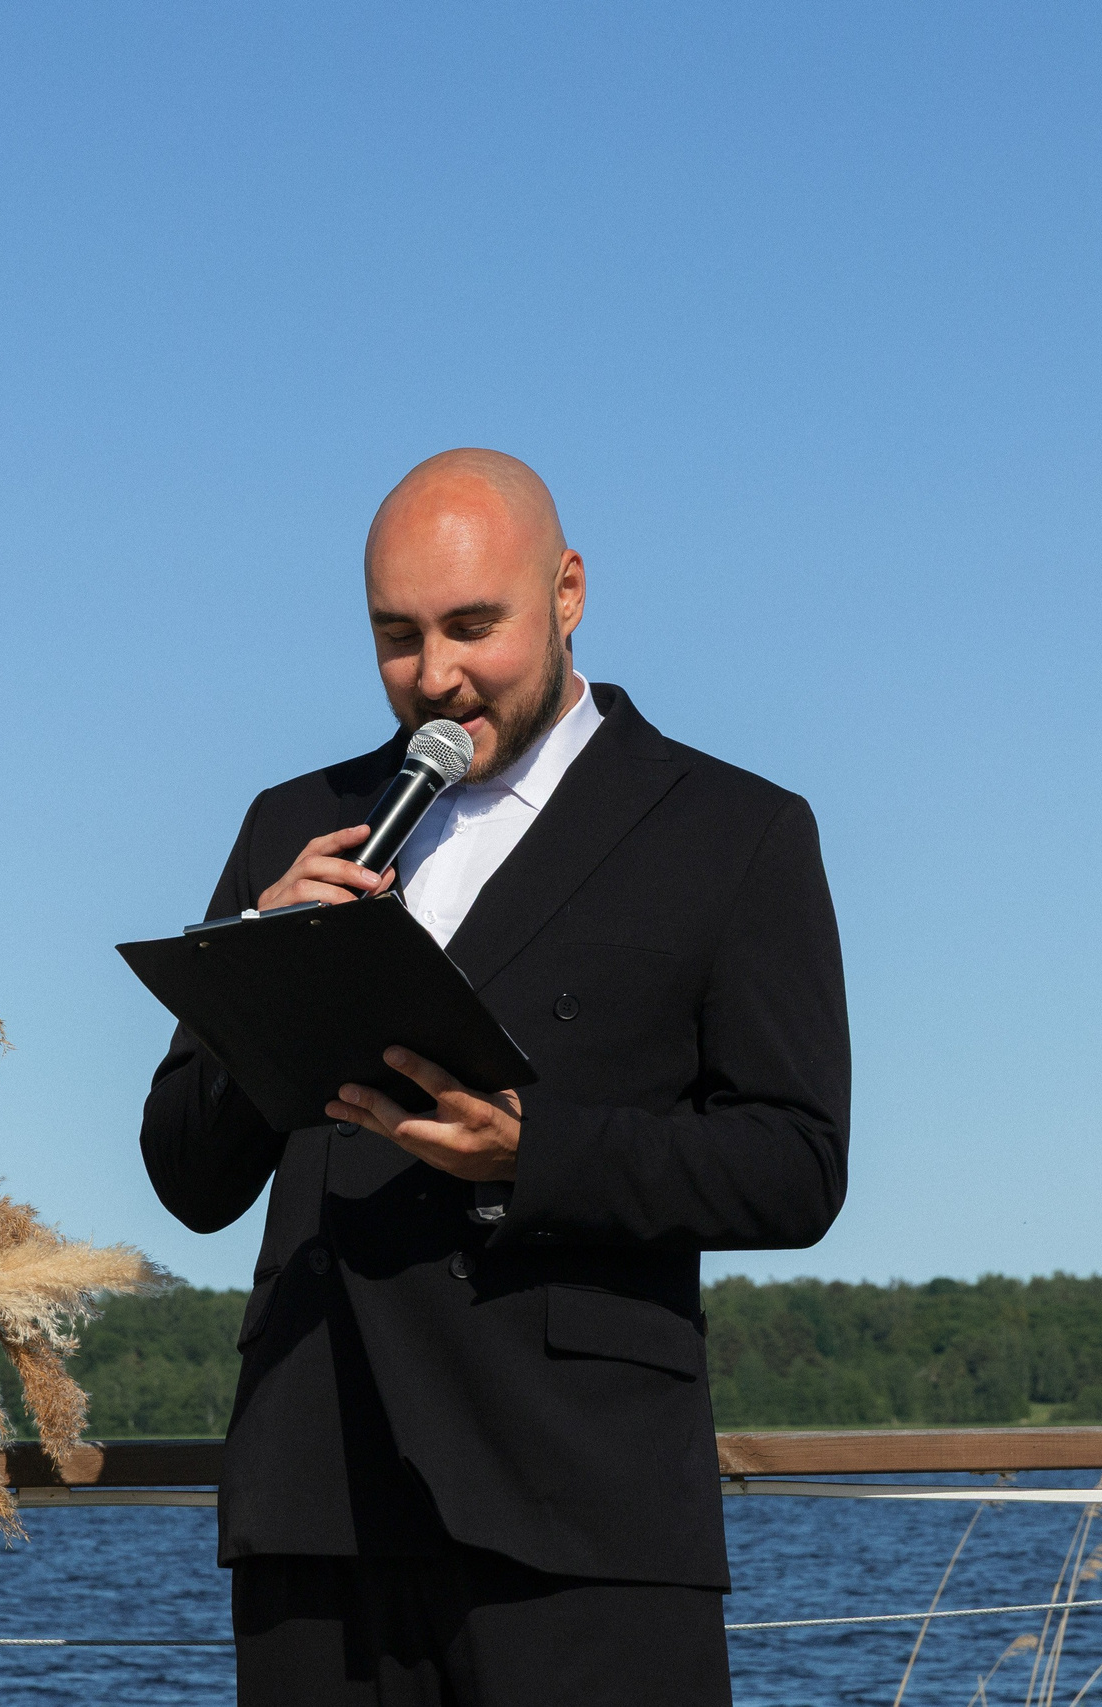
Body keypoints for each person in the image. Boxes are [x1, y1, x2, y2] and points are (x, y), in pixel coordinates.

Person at [140, 448, 850, 1706]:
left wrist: (536, 1153)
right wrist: (260, 955)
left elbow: (795, 1165)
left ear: (567, 592)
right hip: (320, 1497)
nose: (434, 676)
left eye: (474, 627)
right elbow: (189, 1177)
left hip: (581, 1505)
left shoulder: (733, 831)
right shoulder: (291, 822)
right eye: (397, 637)